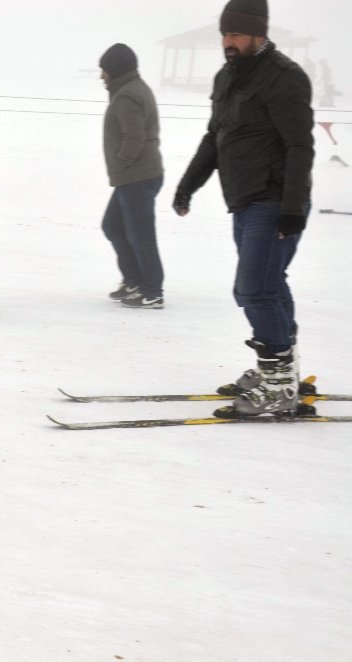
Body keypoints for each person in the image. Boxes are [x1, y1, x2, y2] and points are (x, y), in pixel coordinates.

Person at [173, 0, 314, 417]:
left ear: (259, 34)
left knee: (253, 289)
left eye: (236, 34)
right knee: (270, 284)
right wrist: (188, 184)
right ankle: (281, 372)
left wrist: (291, 208)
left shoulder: (284, 78)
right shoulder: (228, 77)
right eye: (224, 34)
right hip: (244, 200)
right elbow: (215, 137)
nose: (228, 42)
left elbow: (299, 145)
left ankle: (278, 384)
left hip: (275, 200)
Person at [98, 43, 165, 309]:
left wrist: (120, 162)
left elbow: (134, 136)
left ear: (115, 70)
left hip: (137, 176)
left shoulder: (127, 95)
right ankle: (134, 280)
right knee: (113, 226)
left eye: (104, 70)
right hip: (135, 175)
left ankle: (152, 290)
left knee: (141, 234)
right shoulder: (132, 89)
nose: (101, 76)